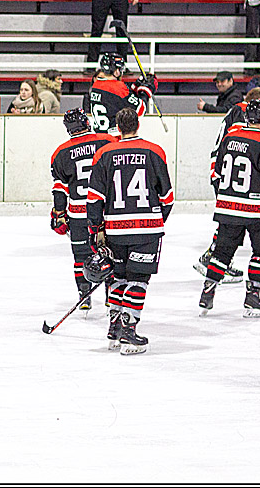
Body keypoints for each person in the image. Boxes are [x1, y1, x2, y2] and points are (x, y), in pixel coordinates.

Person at [86, 107, 174, 355]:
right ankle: (129, 330)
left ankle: (114, 328)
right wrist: (158, 220)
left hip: (115, 229)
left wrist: (96, 228)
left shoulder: (104, 153)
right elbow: (167, 197)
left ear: (117, 125)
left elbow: (94, 197)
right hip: (146, 228)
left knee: (118, 277)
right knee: (138, 279)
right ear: (138, 124)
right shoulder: (154, 151)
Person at [199, 99, 260, 317]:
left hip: (228, 207)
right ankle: (253, 296)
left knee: (222, 251)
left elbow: (217, 172)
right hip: (255, 209)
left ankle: (207, 292)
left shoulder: (230, 138)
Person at [195, 86, 260, 281]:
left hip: (224, 170)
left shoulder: (237, 110)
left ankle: (215, 258)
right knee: (231, 220)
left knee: (230, 219)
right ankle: (214, 258)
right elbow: (241, 144)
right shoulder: (242, 112)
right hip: (226, 172)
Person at [50, 108, 116, 308]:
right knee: (110, 252)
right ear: (86, 123)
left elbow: (59, 189)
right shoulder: (107, 141)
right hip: (105, 209)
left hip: (78, 213)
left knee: (80, 255)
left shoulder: (60, 153)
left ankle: (84, 295)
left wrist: (59, 214)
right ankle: (110, 295)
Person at [84, 53, 154, 134]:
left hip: (99, 135)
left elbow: (118, 99)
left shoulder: (96, 85)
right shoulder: (117, 87)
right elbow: (140, 110)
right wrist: (146, 90)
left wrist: (136, 85)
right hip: (115, 137)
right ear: (117, 71)